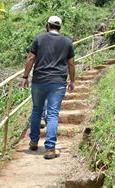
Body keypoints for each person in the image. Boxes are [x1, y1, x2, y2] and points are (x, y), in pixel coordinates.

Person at [21, 16, 76, 159]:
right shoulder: (67, 42)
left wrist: (25, 77)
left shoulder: (39, 39)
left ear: (47, 25)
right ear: (60, 27)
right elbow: (71, 64)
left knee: (36, 110)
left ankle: (33, 142)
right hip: (58, 82)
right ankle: (50, 149)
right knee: (52, 114)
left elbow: (30, 58)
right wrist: (72, 81)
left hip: (39, 81)